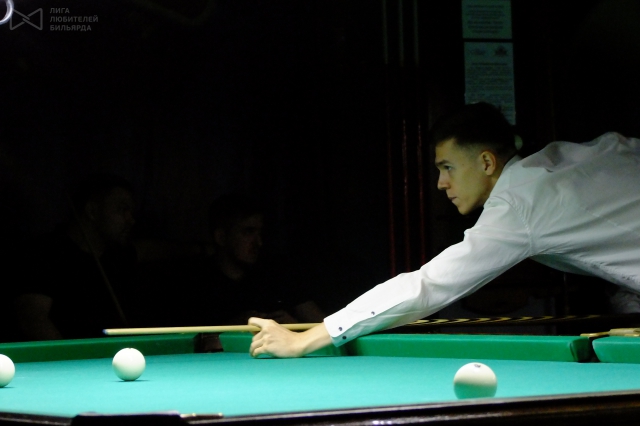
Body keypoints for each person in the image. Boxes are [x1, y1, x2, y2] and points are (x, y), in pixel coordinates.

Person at [248, 102, 640, 358]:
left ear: (486, 162)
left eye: (447, 167)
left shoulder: (519, 204)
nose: (441, 183)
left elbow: (427, 286)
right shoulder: (567, 157)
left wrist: (306, 338)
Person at [12, 173, 138, 340]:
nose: (131, 220)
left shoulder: (121, 257)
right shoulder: (45, 253)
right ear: (92, 211)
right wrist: (69, 353)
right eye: (122, 209)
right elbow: (32, 318)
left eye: (131, 211)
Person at [173, 193, 325, 327]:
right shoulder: (196, 284)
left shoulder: (276, 273)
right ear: (221, 237)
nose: (259, 242)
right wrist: (231, 329)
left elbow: (327, 330)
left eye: (260, 233)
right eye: (248, 232)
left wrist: (296, 330)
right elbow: (183, 340)